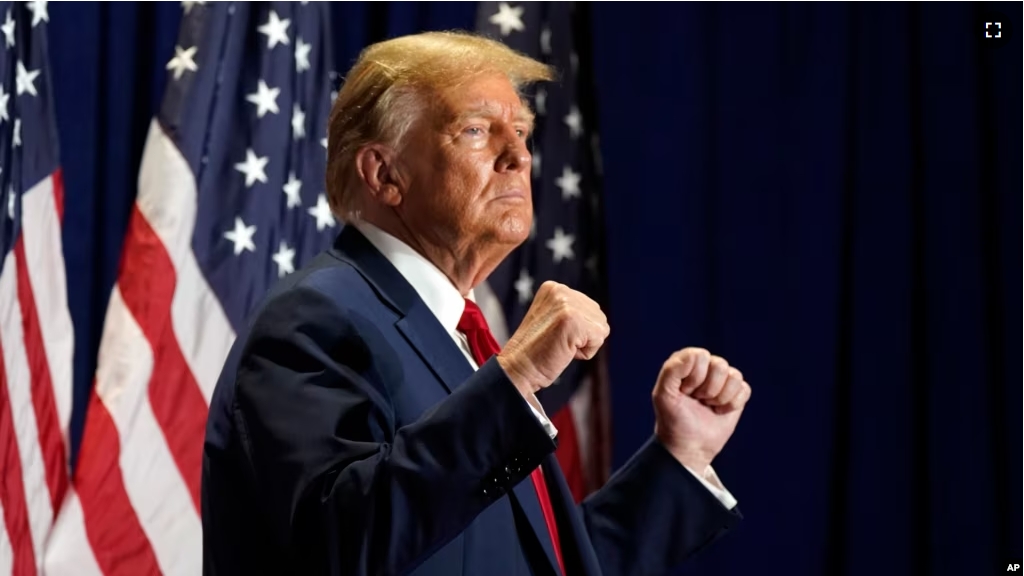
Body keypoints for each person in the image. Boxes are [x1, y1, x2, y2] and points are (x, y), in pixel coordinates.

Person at [201, 31, 752, 576]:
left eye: (520, 132)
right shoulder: (315, 318)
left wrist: (679, 458)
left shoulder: (457, 336)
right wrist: (515, 378)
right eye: (474, 131)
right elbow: (343, 543)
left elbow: (538, 562)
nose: (517, 156)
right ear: (384, 173)